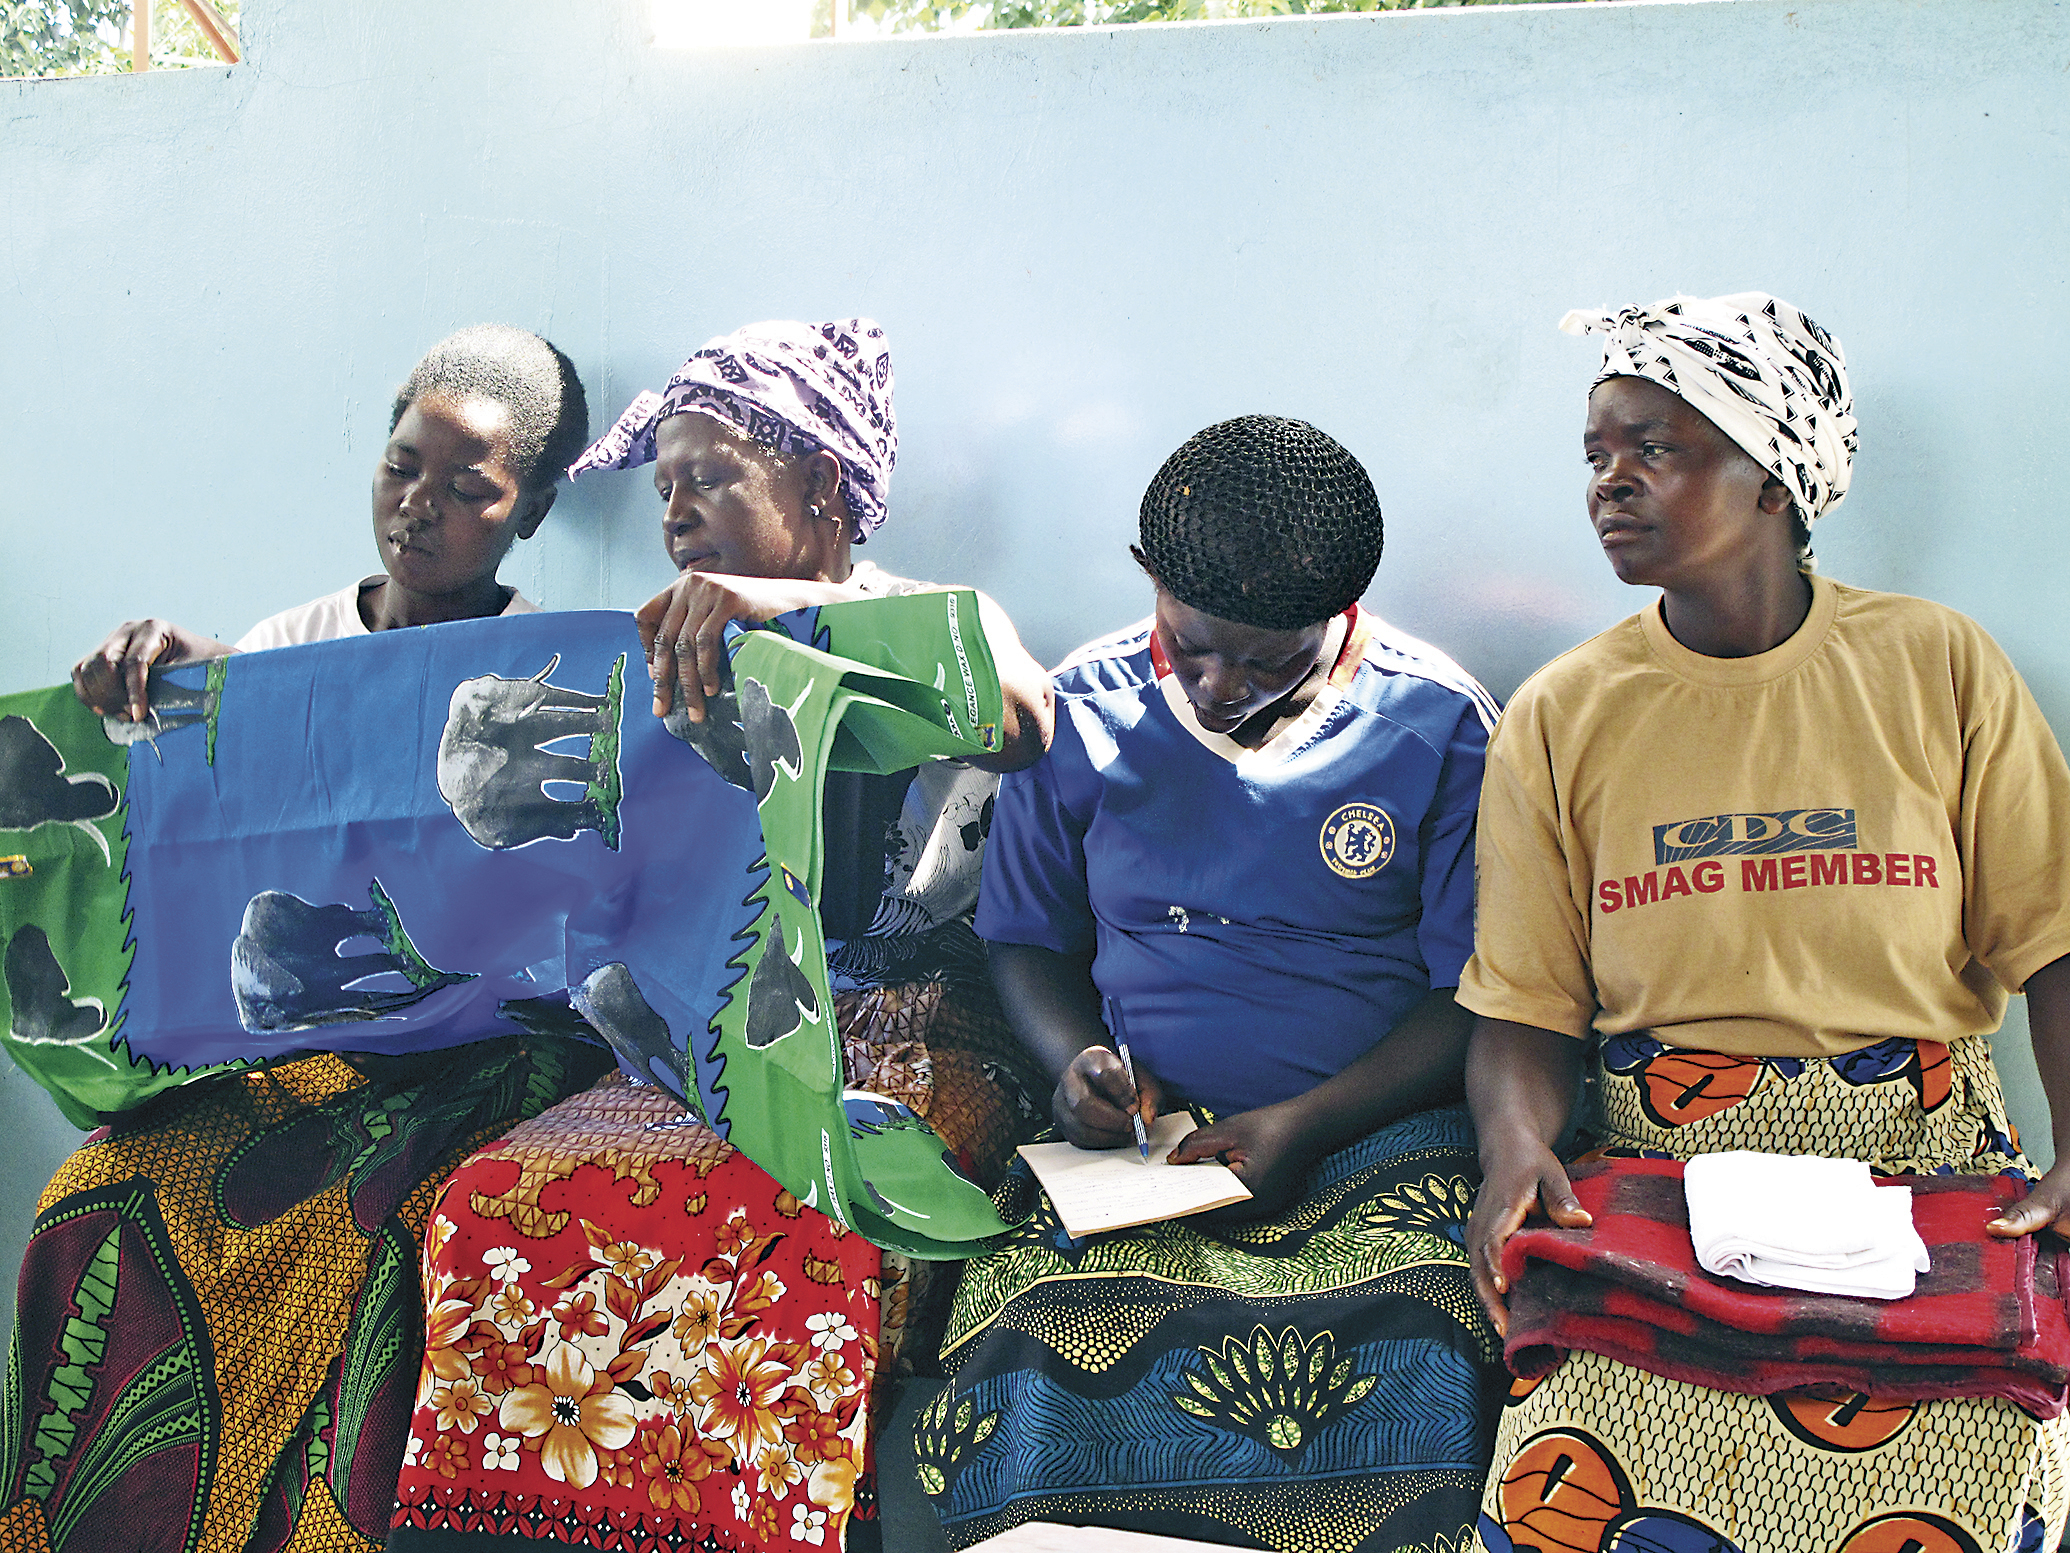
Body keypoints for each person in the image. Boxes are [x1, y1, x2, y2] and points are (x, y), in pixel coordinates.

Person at [384, 318, 1054, 1553]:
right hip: (712, 1012)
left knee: (832, 1212)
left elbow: (1023, 720)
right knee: (499, 1198)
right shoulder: (655, 643)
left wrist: (788, 614)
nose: (677, 513)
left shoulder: (941, 615)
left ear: (822, 487)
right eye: (664, 488)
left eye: (709, 477)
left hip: (912, 1009)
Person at [1461, 293, 2070, 1551]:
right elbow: (1524, 1004)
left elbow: (2054, 939)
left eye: (1656, 448)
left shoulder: (1939, 667)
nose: (1609, 483)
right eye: (1596, 454)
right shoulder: (1563, 716)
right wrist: (1515, 1147)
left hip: (1927, 1161)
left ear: (1773, 479)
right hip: (1659, 1176)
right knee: (1579, 1477)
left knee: (1975, 1457)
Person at [1, 325, 610, 1553]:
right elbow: (186, 853)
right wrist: (149, 690)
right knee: (96, 1191)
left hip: (485, 1058)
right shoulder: (275, 655)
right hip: (297, 1062)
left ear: (531, 511)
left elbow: (584, 915)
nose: (417, 508)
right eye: (401, 467)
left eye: (468, 489)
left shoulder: (561, 674)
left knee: (388, 1226)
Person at [924, 414, 1502, 1551]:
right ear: (1149, 580)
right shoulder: (1074, 708)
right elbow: (1027, 941)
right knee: (1036, 1340)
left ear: (1341, 614)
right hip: (1145, 1145)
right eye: (1191, 645)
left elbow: (1472, 994)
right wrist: (1078, 1064)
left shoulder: (1438, 725)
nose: (1221, 682)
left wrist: (1308, 1118)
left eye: (1266, 657)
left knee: (1421, 1345)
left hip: (1375, 1135)